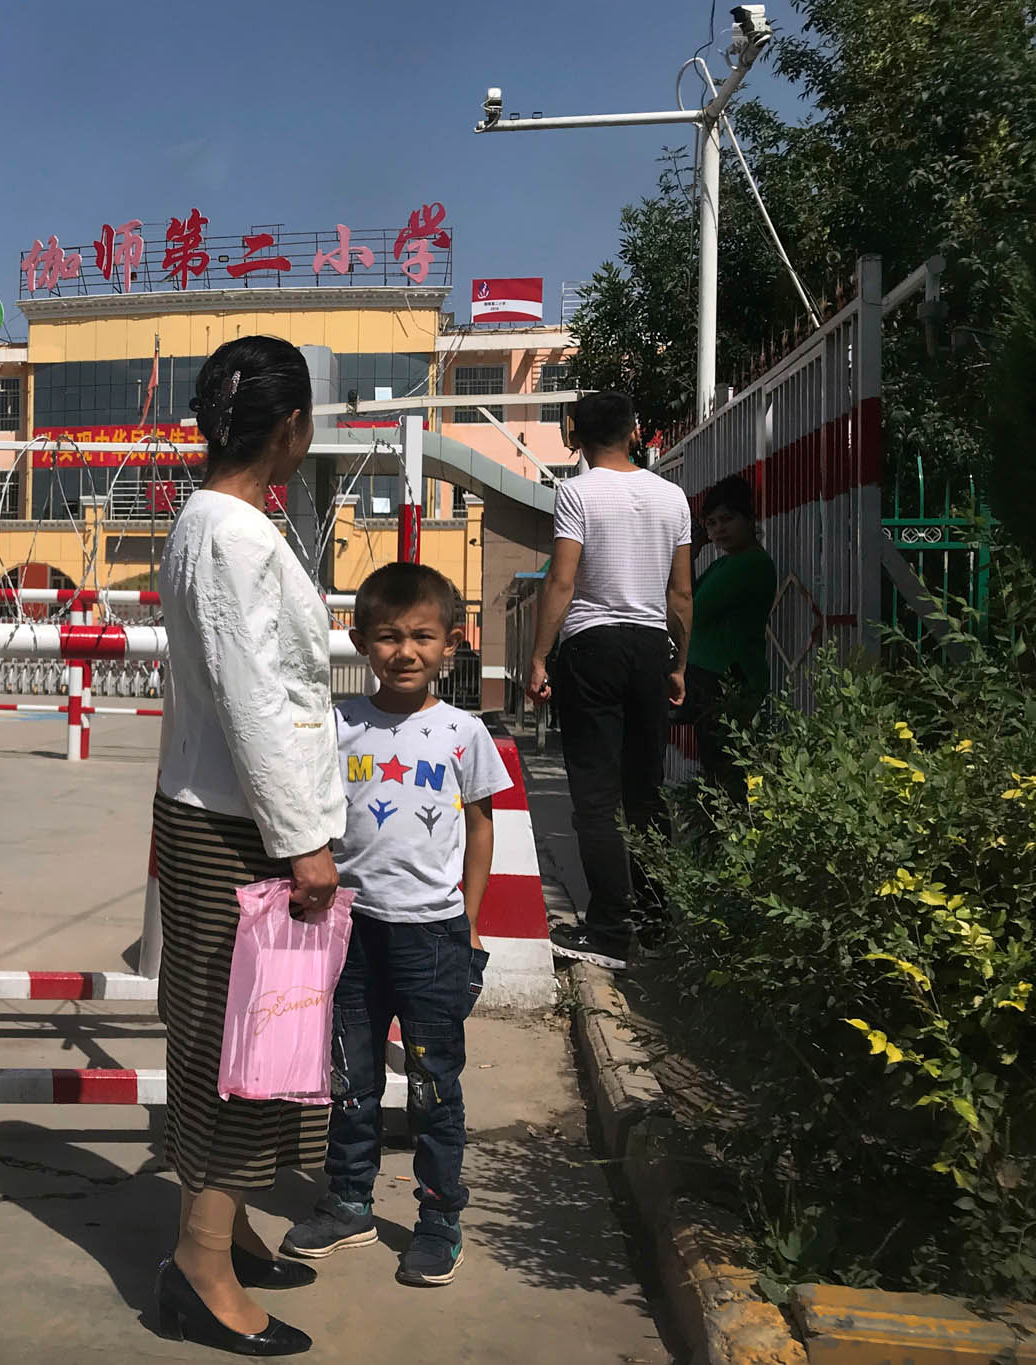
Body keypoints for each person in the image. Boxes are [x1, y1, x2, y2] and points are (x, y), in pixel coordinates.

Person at [151, 334, 340, 1357]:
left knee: (257, 1041)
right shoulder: (230, 535)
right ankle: (199, 1263)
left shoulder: (217, 523)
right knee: (241, 1048)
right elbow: (252, 700)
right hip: (241, 828)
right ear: (289, 429)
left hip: (232, 817)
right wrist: (302, 841)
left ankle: (230, 1229)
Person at [279, 563, 510, 1289]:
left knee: (434, 1084)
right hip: (351, 933)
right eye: (387, 636)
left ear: (452, 643)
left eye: (421, 636)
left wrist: (469, 925)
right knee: (350, 1079)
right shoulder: (340, 724)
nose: (404, 651)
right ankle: (349, 1201)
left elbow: (480, 829)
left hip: (434, 937)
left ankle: (439, 1216)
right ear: (360, 642)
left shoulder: (464, 732)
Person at [526, 391, 692, 969]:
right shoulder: (672, 497)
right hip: (651, 647)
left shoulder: (576, 492)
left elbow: (563, 582)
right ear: (636, 430)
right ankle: (655, 921)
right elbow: (680, 593)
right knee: (644, 790)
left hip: (592, 647)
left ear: (575, 434)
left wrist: (540, 656)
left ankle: (608, 931)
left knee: (596, 798)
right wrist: (678, 663)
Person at [684, 475, 776, 799]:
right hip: (712, 679)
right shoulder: (726, 564)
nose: (719, 529)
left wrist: (689, 554)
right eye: (711, 523)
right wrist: (694, 552)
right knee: (716, 770)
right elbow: (690, 599)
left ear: (749, 518)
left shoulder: (751, 564)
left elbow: (691, 609)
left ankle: (733, 842)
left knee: (726, 774)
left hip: (729, 678)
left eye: (727, 519)